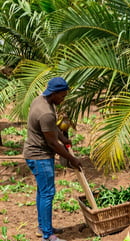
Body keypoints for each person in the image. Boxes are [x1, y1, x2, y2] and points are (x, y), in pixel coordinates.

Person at [23, 77, 81, 241]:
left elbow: (51, 128)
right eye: (62, 96)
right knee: (48, 193)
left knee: (43, 192)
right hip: (39, 156)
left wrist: (63, 138)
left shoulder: (41, 100)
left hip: (35, 154)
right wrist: (72, 159)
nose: (63, 99)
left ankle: (44, 228)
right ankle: (48, 236)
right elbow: (52, 143)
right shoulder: (46, 112)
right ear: (54, 93)